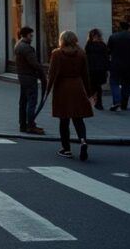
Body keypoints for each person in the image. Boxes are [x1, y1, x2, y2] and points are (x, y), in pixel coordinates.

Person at [47, 30, 94, 161]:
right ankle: (83, 140)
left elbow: (52, 74)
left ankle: (66, 149)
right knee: (78, 118)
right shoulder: (81, 54)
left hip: (62, 87)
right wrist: (89, 92)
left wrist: (47, 90)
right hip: (77, 86)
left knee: (64, 119)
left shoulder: (56, 54)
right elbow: (85, 74)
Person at [14, 26, 46, 135]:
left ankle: (23, 124)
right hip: (29, 77)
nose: (32, 37)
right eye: (30, 35)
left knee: (23, 102)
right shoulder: (27, 48)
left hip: (22, 76)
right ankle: (31, 125)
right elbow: (34, 63)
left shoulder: (18, 45)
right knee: (32, 101)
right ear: (26, 35)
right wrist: (42, 72)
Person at [106, 21, 130, 111]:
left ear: (120, 27)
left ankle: (117, 101)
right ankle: (124, 103)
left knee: (114, 82)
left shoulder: (113, 37)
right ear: (128, 27)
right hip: (129, 63)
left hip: (116, 63)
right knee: (126, 83)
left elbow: (108, 50)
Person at [84, 28, 110, 110]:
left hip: (92, 69)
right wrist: (106, 68)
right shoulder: (102, 45)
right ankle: (98, 103)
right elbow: (106, 57)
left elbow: (86, 58)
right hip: (100, 69)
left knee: (94, 86)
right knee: (97, 86)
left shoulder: (89, 45)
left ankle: (96, 102)